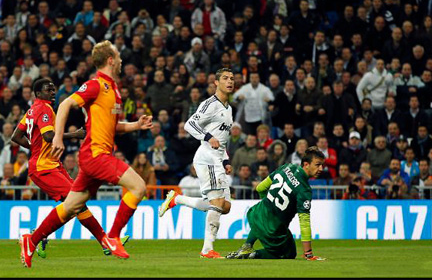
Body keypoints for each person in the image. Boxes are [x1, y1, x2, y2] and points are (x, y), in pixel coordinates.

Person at [19, 41, 153, 267]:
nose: (120, 60)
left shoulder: (114, 92)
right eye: (118, 57)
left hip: (96, 157)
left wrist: (136, 126)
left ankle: (31, 241)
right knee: (138, 187)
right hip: (96, 155)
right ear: (110, 60)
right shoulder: (95, 85)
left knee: (71, 206)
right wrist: (59, 136)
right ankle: (112, 237)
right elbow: (64, 105)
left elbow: (114, 125)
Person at [12, 78, 117, 258]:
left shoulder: (32, 110)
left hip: (51, 164)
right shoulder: (43, 109)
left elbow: (16, 135)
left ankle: (38, 236)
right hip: (44, 167)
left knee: (76, 203)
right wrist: (74, 135)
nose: (53, 92)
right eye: (48, 89)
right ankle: (104, 241)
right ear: (38, 94)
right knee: (74, 203)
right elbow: (49, 136)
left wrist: (35, 149)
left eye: (53, 89)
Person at [159, 68, 235, 259]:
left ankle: (177, 199)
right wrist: (208, 137)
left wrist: (225, 159)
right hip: (206, 158)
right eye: (225, 78)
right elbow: (189, 124)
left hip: (218, 159)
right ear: (216, 83)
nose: (230, 81)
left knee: (224, 206)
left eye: (232, 78)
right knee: (217, 202)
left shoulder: (229, 108)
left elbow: (222, 140)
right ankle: (207, 250)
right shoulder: (210, 104)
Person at [226, 146, 326, 261]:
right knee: (289, 253)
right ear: (306, 164)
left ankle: (247, 245)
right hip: (273, 227)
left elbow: (260, 188)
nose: (321, 169)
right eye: (317, 165)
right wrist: (308, 254)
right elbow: (304, 223)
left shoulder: (287, 167)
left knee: (265, 219)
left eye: (322, 165)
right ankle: (253, 254)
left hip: (258, 213)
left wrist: (268, 204)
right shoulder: (304, 190)